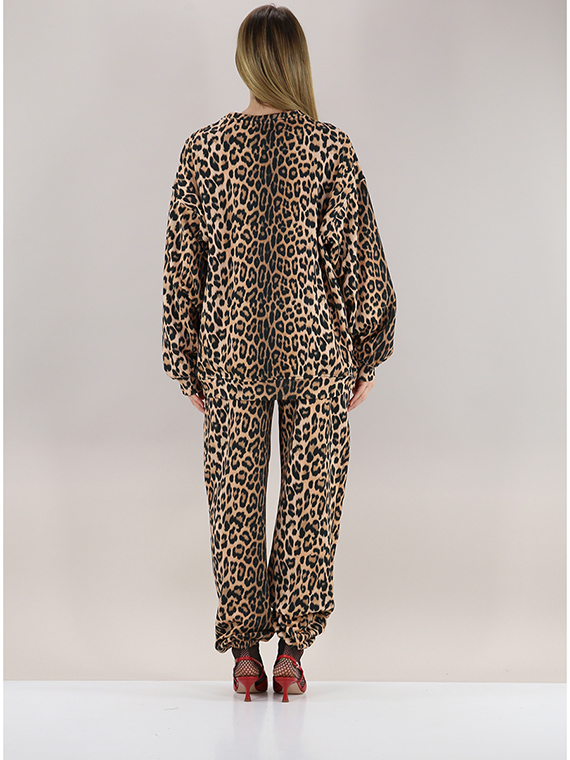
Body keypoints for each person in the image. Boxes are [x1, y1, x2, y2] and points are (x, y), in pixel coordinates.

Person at [162, 3, 396, 702]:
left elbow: (183, 267)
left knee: (233, 497)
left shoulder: (203, 151)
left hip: (231, 349)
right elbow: (359, 260)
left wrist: (187, 358)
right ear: (296, 62)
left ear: (245, 61)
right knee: (311, 497)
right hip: (314, 348)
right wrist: (366, 351)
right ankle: (290, 654)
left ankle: (244, 656)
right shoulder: (330, 149)